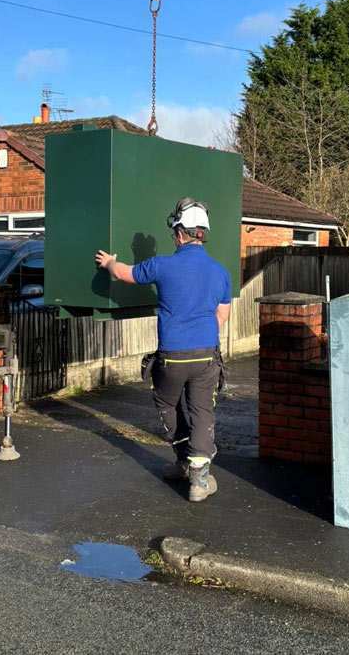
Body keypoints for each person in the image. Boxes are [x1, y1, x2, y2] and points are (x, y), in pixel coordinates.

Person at [95, 197, 231, 502]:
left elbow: (124, 274)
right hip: (206, 353)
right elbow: (222, 315)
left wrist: (108, 263)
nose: (173, 237)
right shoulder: (219, 271)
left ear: (181, 233)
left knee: (168, 403)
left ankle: (183, 459)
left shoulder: (162, 265)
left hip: (172, 354)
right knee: (201, 411)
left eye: (174, 233)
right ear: (202, 233)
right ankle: (198, 479)